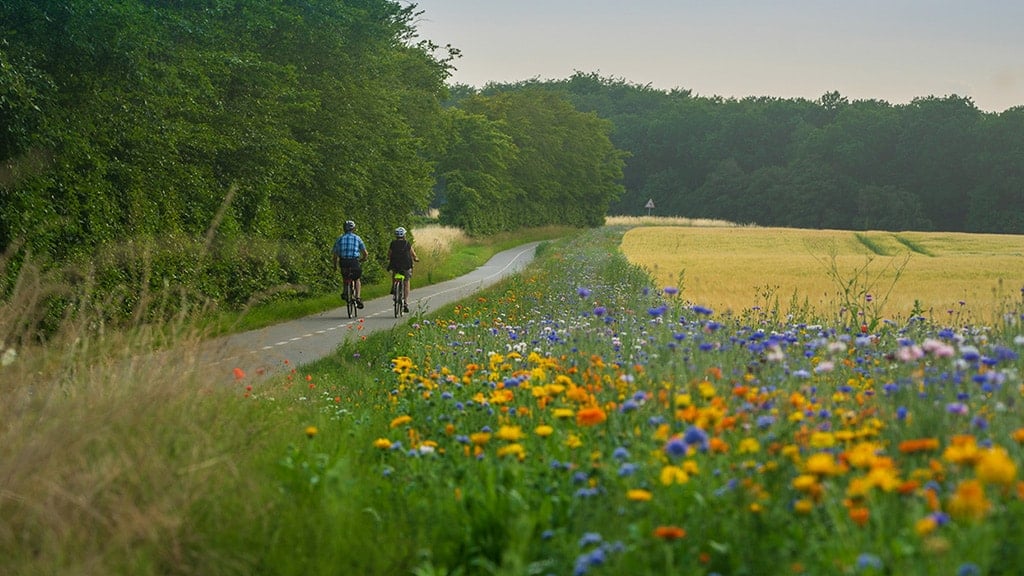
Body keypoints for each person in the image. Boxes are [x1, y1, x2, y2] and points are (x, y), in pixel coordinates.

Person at [332, 220, 368, 308]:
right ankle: (358, 297)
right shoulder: (357, 238)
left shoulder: (339, 238)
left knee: (345, 276)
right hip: (354, 261)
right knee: (357, 279)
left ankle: (345, 292)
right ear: (353, 229)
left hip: (343, 261)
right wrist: (363, 259)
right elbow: (365, 253)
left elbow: (335, 255)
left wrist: (335, 266)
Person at [387, 226, 419, 313]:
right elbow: (412, 253)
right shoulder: (407, 243)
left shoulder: (393, 243)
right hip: (406, 265)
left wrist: (388, 258)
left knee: (394, 274)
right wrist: (416, 258)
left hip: (395, 265)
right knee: (406, 282)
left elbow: (389, 254)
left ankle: (394, 287)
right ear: (404, 235)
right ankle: (405, 302)